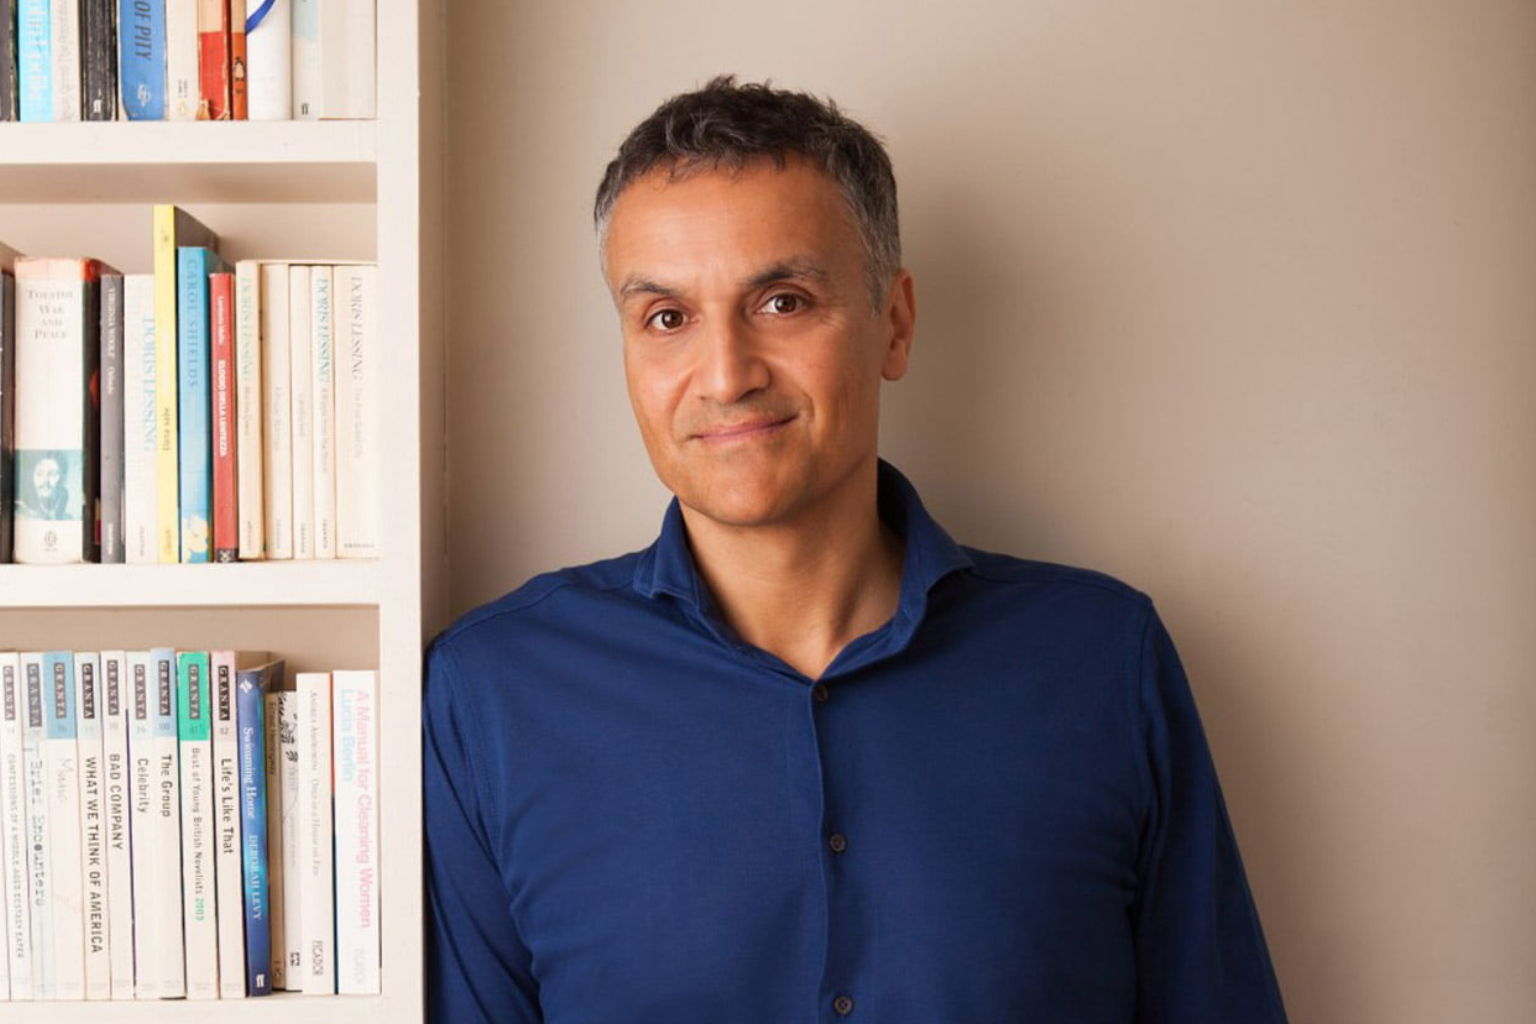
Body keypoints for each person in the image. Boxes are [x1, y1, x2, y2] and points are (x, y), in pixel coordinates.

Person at [424, 75, 1288, 1023]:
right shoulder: (492, 696)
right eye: (667, 318)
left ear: (895, 322)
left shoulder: (1103, 660)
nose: (725, 375)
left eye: (783, 301)